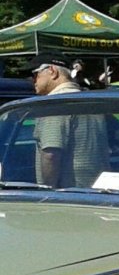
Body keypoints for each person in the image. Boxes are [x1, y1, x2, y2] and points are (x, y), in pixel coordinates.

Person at [29, 55, 110, 187]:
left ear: (52, 71)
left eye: (35, 74)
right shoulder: (92, 102)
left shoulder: (55, 105)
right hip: (98, 192)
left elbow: (50, 155)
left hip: (67, 196)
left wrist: (46, 191)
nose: (32, 80)